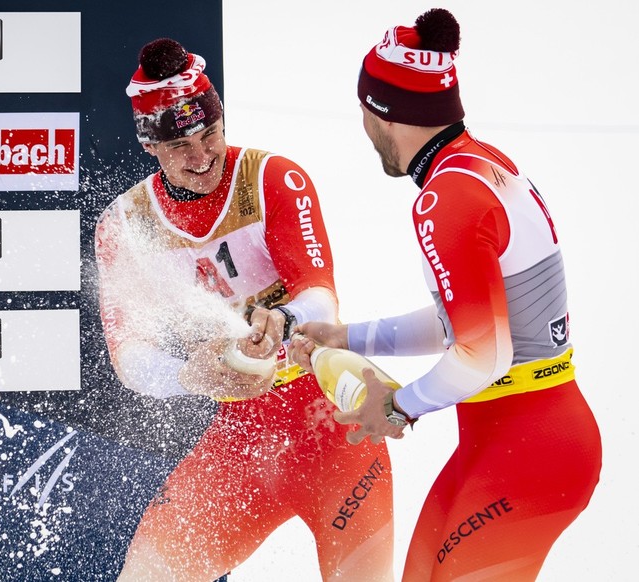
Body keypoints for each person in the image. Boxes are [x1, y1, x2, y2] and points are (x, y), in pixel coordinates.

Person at [289, 8, 603, 581]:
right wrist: (348, 337)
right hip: (513, 439)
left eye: (363, 111)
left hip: (530, 445)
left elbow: (485, 355)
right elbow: (461, 324)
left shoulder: (446, 198)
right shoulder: (481, 165)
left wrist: (398, 406)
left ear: (383, 112)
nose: (363, 127)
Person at [95, 38, 395, 581]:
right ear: (150, 146)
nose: (201, 156)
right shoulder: (125, 225)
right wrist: (188, 375)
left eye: (209, 133)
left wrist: (286, 319)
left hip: (334, 431)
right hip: (241, 442)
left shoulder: (271, 178)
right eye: (179, 145)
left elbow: (320, 296)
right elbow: (130, 356)